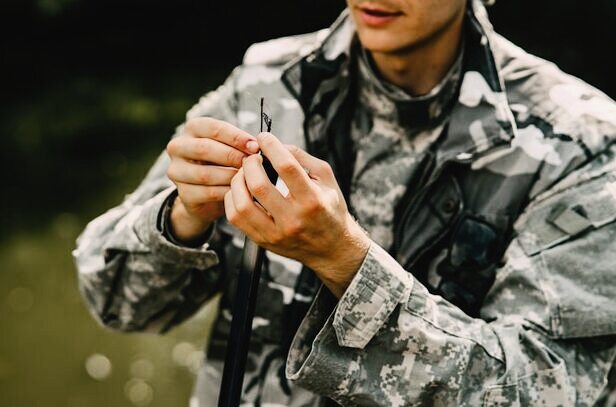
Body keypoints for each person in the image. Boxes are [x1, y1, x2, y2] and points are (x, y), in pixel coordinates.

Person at [74, 0, 616, 405]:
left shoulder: (583, 143)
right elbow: (116, 302)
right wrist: (183, 217)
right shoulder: (265, 84)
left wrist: (346, 263)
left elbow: (561, 388)